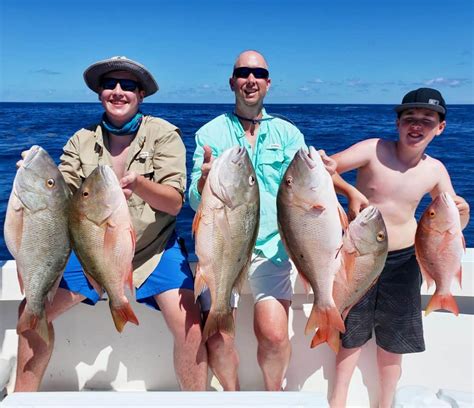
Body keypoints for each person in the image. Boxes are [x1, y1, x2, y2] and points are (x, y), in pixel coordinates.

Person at [14, 56, 208, 391]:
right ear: (100, 93)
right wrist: (31, 178)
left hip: (153, 250)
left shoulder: (163, 135)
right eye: (110, 85)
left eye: (128, 86)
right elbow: (60, 193)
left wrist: (141, 186)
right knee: (31, 312)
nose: (118, 92)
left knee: (190, 327)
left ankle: (197, 399)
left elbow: (175, 203)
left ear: (141, 95)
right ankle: (22, 396)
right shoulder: (80, 140)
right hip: (92, 249)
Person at [327, 88, 470, 408]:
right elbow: (327, 167)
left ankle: (385, 403)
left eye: (427, 120)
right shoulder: (372, 150)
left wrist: (462, 211)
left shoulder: (435, 170)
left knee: (395, 341)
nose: (416, 125)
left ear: (440, 127)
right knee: (350, 332)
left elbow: (452, 219)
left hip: (405, 260)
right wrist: (350, 192)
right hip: (360, 255)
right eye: (410, 118)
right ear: (398, 123)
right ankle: (338, 400)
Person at [188, 50, 308, 391]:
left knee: (272, 335)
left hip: (272, 250)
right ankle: (233, 395)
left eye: (258, 73)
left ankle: (273, 396)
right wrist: (202, 183)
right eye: (243, 73)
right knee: (218, 337)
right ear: (232, 82)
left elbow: (305, 191)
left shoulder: (288, 134)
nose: (250, 79)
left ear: (268, 84)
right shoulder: (209, 134)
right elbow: (194, 200)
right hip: (222, 247)